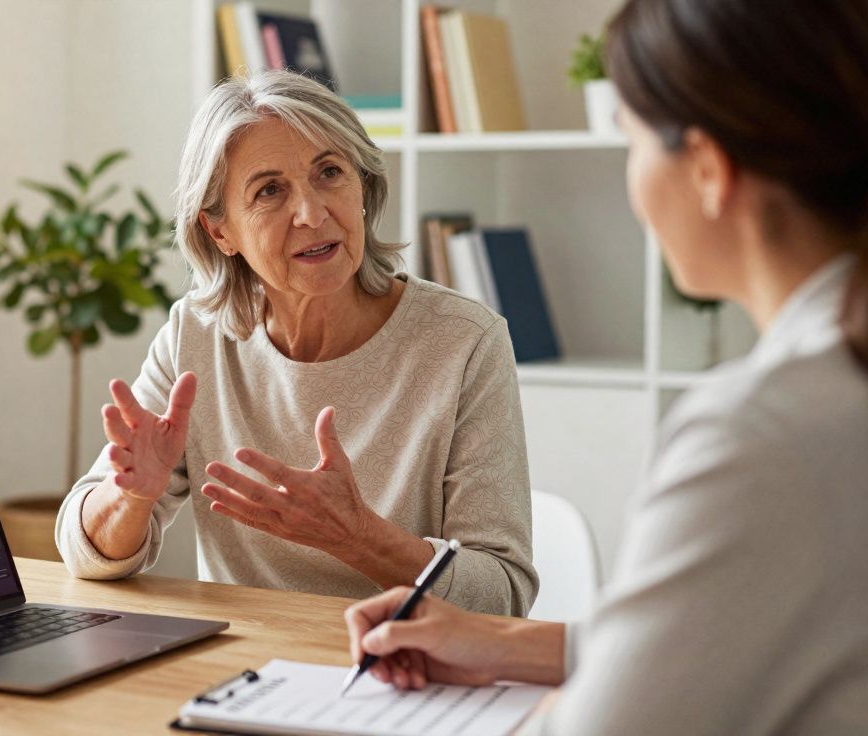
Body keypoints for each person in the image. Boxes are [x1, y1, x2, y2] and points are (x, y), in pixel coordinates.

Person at [343, 0, 868, 732]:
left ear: (709, 169)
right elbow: (717, 629)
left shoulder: (759, 437)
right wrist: (502, 641)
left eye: (630, 139)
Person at [54, 70, 537, 614]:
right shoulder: (196, 334)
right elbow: (83, 553)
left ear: (363, 188)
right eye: (269, 191)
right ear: (220, 231)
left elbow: (503, 596)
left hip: (404, 669)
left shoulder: (464, 343)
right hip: (246, 673)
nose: (311, 213)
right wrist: (132, 497)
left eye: (330, 172)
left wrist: (357, 537)